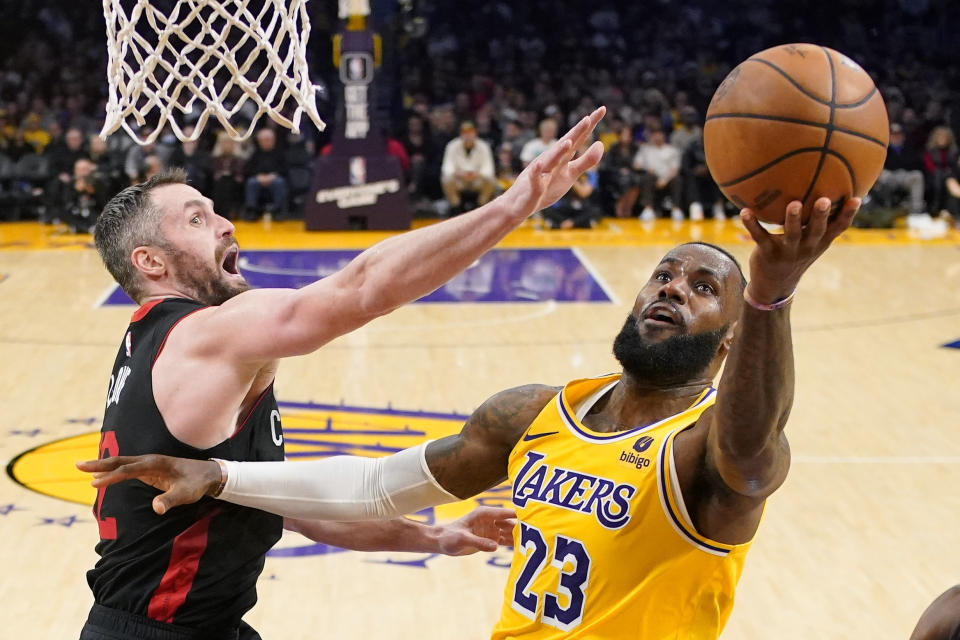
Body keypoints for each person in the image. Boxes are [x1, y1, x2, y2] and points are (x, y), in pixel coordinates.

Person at [81, 194, 860, 639]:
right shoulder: (536, 413)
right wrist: (222, 475)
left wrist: (771, 293)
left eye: (701, 289)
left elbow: (754, 449)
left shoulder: (704, 446)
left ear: (728, 346)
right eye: (664, 273)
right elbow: (374, 487)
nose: (671, 289)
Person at [76, 107, 605, 640]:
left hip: (199, 626)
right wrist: (516, 204)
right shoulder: (204, 335)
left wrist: (433, 538)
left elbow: (288, 505)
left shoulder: (160, 342)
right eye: (196, 219)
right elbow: (363, 288)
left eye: (213, 212)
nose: (225, 224)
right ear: (150, 262)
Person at [440, 121, 496, 214]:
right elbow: (447, 168)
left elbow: (489, 169)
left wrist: (477, 174)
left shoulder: (483, 146)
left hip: (477, 180)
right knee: (447, 179)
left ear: (475, 133)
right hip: (460, 180)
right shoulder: (452, 145)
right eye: (465, 133)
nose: (468, 135)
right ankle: (456, 207)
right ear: (461, 134)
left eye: (470, 132)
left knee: (490, 179)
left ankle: (481, 205)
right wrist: (459, 173)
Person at [633, 124, 683, 221]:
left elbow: (675, 169)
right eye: (655, 134)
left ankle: (676, 209)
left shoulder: (672, 150)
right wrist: (646, 168)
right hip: (652, 178)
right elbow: (636, 165)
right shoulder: (645, 149)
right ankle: (648, 209)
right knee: (647, 177)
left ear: (664, 135)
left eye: (659, 134)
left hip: (668, 179)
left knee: (678, 179)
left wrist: (664, 180)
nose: (657, 136)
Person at [243, 128, 288, 221]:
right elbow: (249, 169)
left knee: (279, 182)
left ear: (273, 140)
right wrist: (258, 176)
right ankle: (252, 210)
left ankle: (278, 211)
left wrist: (272, 176)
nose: (265, 142)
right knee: (251, 182)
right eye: (262, 140)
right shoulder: (255, 154)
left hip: (275, 178)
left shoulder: (280, 153)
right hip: (258, 178)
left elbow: (285, 169)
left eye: (267, 140)